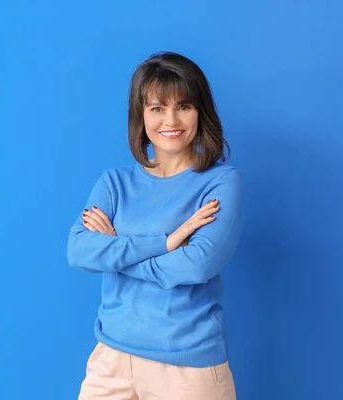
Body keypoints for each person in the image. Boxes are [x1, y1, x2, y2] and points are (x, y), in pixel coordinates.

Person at [66, 52, 244, 400]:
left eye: (185, 106)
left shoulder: (221, 183)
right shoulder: (114, 183)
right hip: (111, 358)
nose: (171, 120)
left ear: (201, 111)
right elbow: (79, 252)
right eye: (157, 108)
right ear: (141, 116)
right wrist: (165, 243)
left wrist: (115, 250)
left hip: (186, 368)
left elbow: (196, 266)